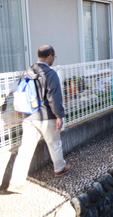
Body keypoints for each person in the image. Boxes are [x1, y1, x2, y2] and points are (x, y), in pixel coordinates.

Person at [8, 45, 71, 194]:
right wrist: (59, 115)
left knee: (25, 150)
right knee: (54, 143)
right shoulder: (50, 74)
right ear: (49, 56)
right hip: (46, 116)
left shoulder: (26, 73)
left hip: (29, 116)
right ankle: (59, 168)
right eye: (54, 57)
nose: (54, 59)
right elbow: (54, 97)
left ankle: (16, 182)